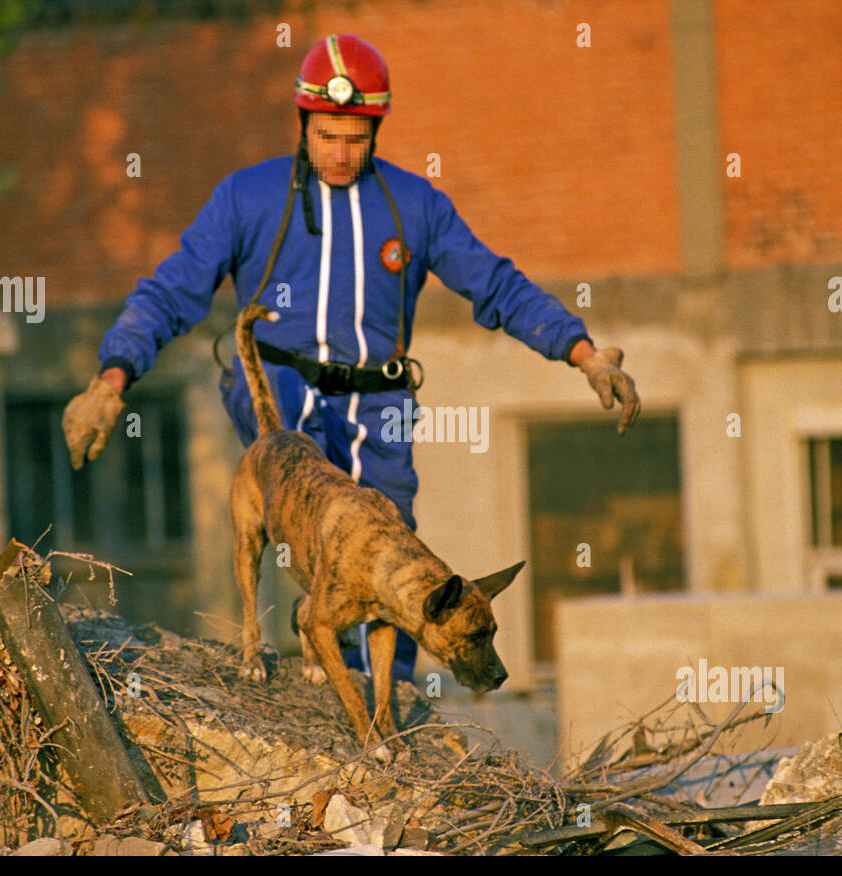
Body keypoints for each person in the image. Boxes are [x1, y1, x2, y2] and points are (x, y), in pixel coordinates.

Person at [63, 33, 640, 683]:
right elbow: (172, 288)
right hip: (278, 382)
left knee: (396, 550)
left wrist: (584, 353)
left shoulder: (416, 206)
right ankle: (315, 628)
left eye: (356, 137)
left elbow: (496, 283)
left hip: (380, 396)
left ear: (377, 132)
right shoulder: (246, 198)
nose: (340, 153)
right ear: (304, 122)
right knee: (307, 462)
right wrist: (112, 380)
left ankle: (385, 702)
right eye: (327, 135)